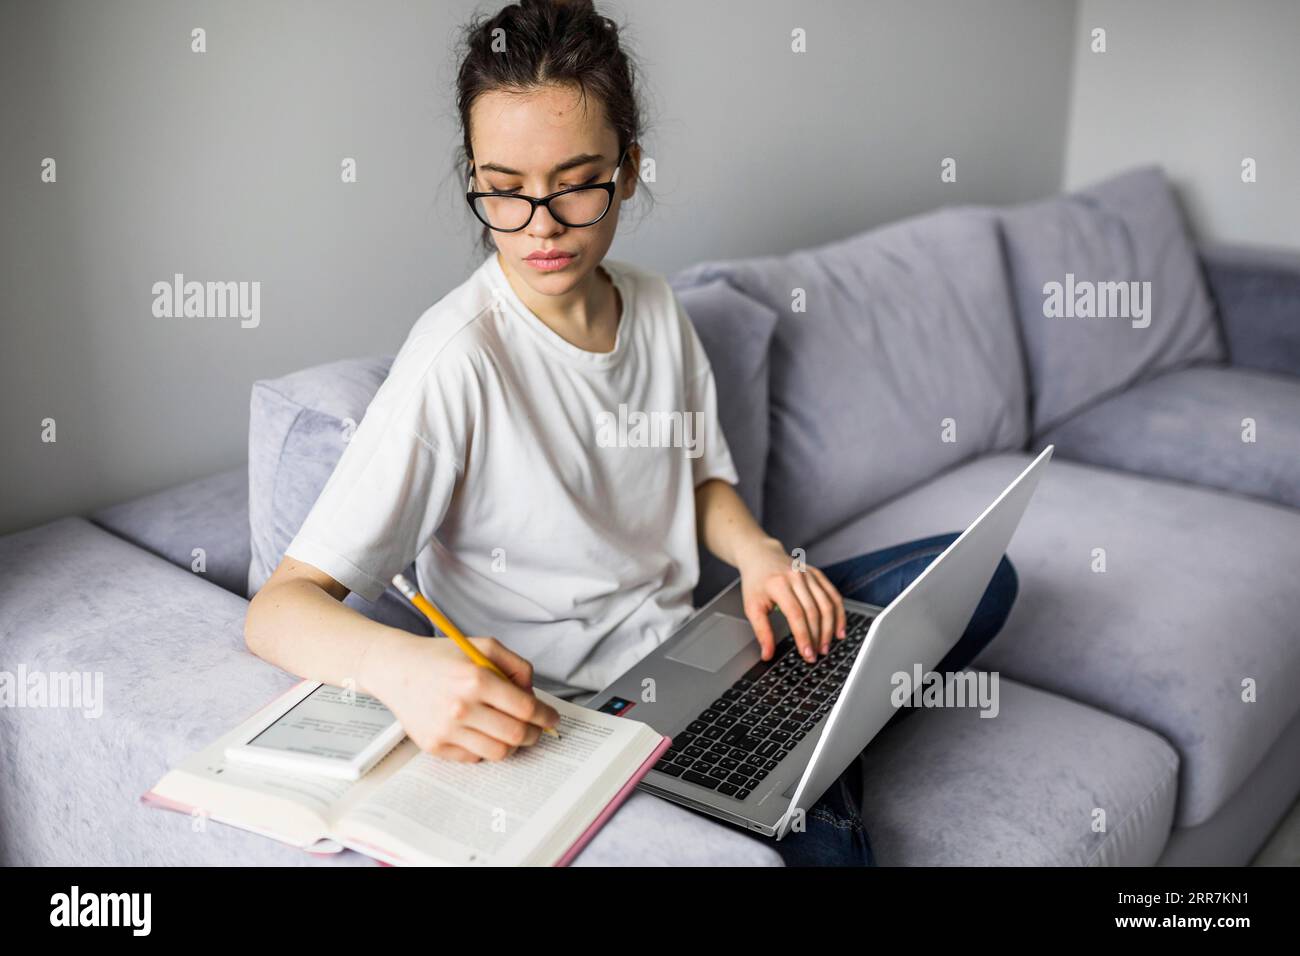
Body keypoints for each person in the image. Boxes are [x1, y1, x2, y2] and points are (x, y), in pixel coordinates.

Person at [243, 0, 1018, 867]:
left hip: (705, 655)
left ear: (630, 166)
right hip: (583, 718)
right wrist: (406, 670)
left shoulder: (654, 306)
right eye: (504, 190)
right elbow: (279, 612)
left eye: (577, 183)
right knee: (831, 843)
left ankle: (803, 739)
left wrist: (761, 556)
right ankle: (808, 755)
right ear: (475, 176)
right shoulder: (456, 359)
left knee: (977, 578)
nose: (541, 224)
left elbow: (700, 481)